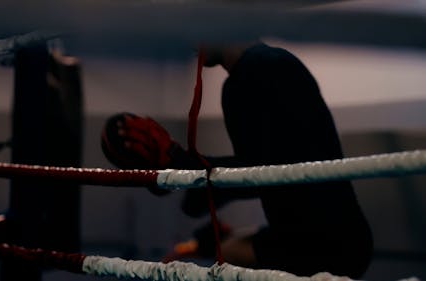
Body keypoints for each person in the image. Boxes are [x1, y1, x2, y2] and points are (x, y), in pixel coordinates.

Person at [101, 41, 373, 278]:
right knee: (227, 245)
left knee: (227, 256)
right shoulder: (272, 63)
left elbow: (260, 174)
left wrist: (181, 164)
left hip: (320, 245)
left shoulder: (250, 76)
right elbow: (262, 168)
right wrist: (184, 174)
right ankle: (208, 240)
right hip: (329, 233)